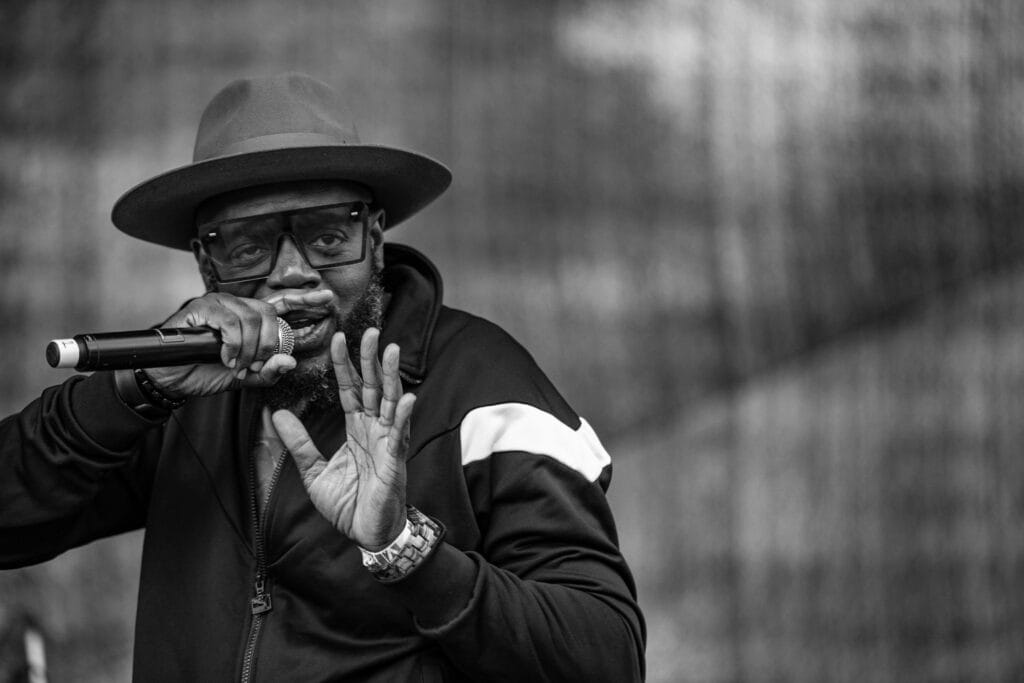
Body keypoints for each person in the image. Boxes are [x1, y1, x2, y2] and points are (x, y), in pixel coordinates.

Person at [0, 73, 645, 682]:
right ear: (206, 262)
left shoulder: (483, 389)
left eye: (327, 237)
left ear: (376, 237)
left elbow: (605, 655)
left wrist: (406, 549)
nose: (293, 274)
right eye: (251, 247)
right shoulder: (184, 394)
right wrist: (134, 390)